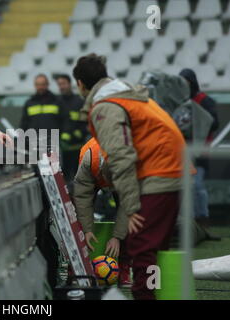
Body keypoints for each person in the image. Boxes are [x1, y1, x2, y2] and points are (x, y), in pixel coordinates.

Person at [72, 53, 194, 300]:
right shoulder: (124, 93)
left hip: (160, 170)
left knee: (141, 246)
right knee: (155, 245)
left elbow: (121, 156)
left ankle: (145, 296)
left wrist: (130, 206)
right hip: (173, 165)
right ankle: (160, 293)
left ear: (80, 84)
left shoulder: (105, 106)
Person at [73, 137, 132, 287]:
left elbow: (127, 206)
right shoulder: (89, 159)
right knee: (75, 219)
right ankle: (74, 269)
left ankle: (124, 269)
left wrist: (117, 237)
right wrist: (86, 230)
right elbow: (82, 198)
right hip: (91, 171)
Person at [179, 68, 220, 231]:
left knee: (197, 186)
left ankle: (203, 217)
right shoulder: (180, 100)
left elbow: (214, 123)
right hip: (183, 151)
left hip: (199, 151)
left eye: (187, 82)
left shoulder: (205, 100)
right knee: (184, 187)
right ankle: (188, 222)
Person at [55, 74, 88, 183]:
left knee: (79, 179)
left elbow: (86, 123)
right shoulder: (56, 102)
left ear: (70, 84)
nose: (61, 87)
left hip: (77, 149)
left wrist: (75, 134)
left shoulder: (79, 102)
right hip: (61, 150)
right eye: (59, 84)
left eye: (63, 84)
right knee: (63, 180)